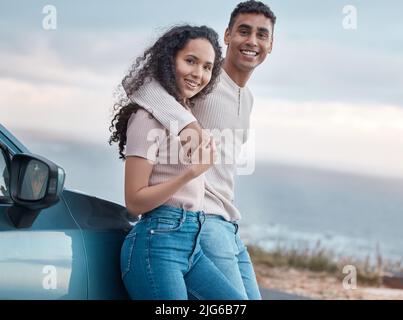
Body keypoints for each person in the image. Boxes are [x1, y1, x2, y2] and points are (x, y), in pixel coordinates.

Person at [127, 1, 276, 300]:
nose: (251, 41)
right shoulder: (203, 79)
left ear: (270, 45)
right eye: (243, 31)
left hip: (229, 224)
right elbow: (138, 86)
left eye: (262, 34)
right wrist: (186, 124)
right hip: (200, 221)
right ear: (227, 35)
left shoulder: (247, 99)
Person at [109, 25, 246, 300]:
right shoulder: (146, 119)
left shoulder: (182, 113)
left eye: (207, 67)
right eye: (190, 61)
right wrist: (191, 173)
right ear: (169, 59)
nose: (199, 74)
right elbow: (134, 202)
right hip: (156, 244)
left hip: (192, 243)